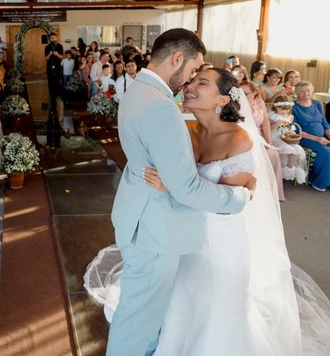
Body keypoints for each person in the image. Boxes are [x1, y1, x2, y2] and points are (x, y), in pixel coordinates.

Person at [86, 69, 330, 356]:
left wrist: (173, 188)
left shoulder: (239, 140)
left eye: (201, 83)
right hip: (182, 233)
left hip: (220, 241)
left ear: (222, 99)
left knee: (216, 309)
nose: (190, 86)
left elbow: (224, 205)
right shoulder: (184, 129)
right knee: (180, 303)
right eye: (192, 80)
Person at [106, 29, 251, 356]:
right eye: (192, 69)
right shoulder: (162, 107)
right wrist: (237, 198)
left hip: (138, 215)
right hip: (154, 229)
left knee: (141, 313)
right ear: (176, 59)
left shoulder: (137, 90)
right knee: (137, 322)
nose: (190, 79)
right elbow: (186, 188)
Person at [292, 81, 330, 192]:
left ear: (312, 90)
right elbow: (295, 130)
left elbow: (325, 122)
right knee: (327, 152)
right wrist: (317, 139)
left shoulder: (316, 104)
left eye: (308, 90)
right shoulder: (293, 107)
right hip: (305, 138)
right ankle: (318, 181)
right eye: (302, 91)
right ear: (297, 93)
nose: (306, 93)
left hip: (323, 137)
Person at [241, 80, 287, 202]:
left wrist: (268, 142)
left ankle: (274, 193)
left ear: (254, 93)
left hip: (259, 135)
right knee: (256, 158)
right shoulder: (237, 104)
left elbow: (265, 124)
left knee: (273, 154)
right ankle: (256, 193)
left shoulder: (260, 102)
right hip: (243, 137)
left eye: (246, 93)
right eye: (240, 92)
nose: (243, 96)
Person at [269, 96, 307, 185]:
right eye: (281, 108)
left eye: (286, 109)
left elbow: (290, 129)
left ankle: (289, 169)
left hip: (285, 138)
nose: (283, 111)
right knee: (286, 148)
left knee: (297, 149)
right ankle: (277, 170)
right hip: (274, 137)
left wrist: (293, 134)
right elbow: (267, 129)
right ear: (275, 107)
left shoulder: (290, 117)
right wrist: (275, 124)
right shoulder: (272, 116)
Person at [44, 32, 64, 103]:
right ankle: (51, 94)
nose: (53, 39)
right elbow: (46, 58)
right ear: (50, 39)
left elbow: (62, 56)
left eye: (54, 37)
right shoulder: (47, 47)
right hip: (49, 65)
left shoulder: (60, 46)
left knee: (58, 79)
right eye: (51, 38)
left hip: (58, 65)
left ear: (57, 38)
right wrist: (49, 54)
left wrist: (57, 54)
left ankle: (57, 93)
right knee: (50, 80)